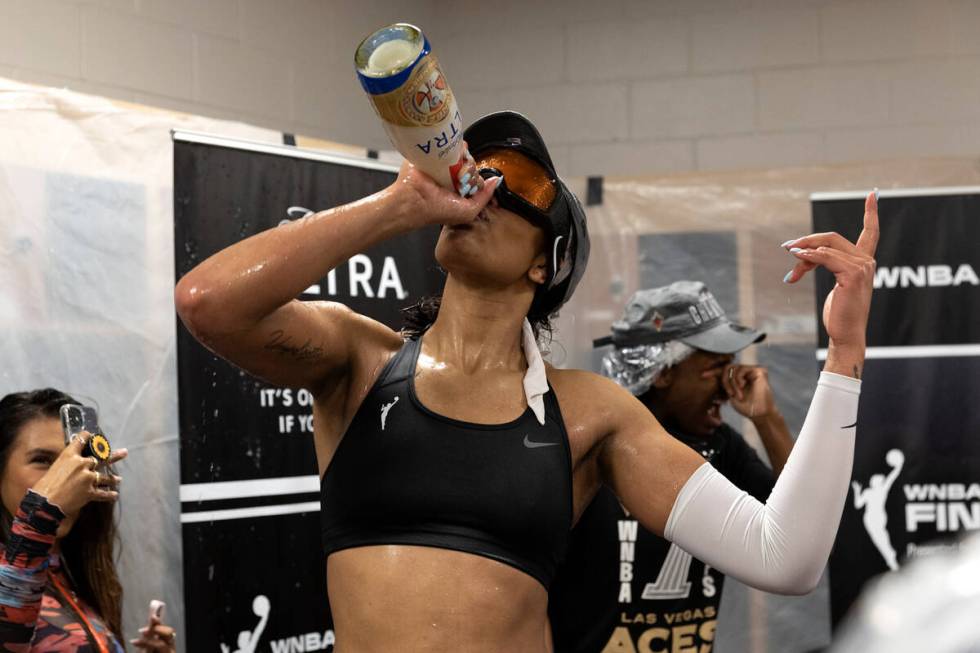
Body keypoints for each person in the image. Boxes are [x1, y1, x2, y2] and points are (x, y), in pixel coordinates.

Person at [175, 110, 878, 653]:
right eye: (472, 172)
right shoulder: (360, 364)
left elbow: (784, 556)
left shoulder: (586, 414)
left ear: (547, 262)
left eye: (515, 188)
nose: (480, 190)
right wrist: (396, 205)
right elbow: (208, 303)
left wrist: (845, 349)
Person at [549, 280, 795, 652]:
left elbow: (802, 534)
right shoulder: (592, 443)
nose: (731, 383)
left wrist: (768, 420)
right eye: (716, 367)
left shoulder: (721, 446)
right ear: (661, 372)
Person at [0, 388, 175, 652]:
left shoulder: (67, 576)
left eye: (77, 463)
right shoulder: (14, 581)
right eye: (43, 460)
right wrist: (41, 512)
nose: (70, 477)